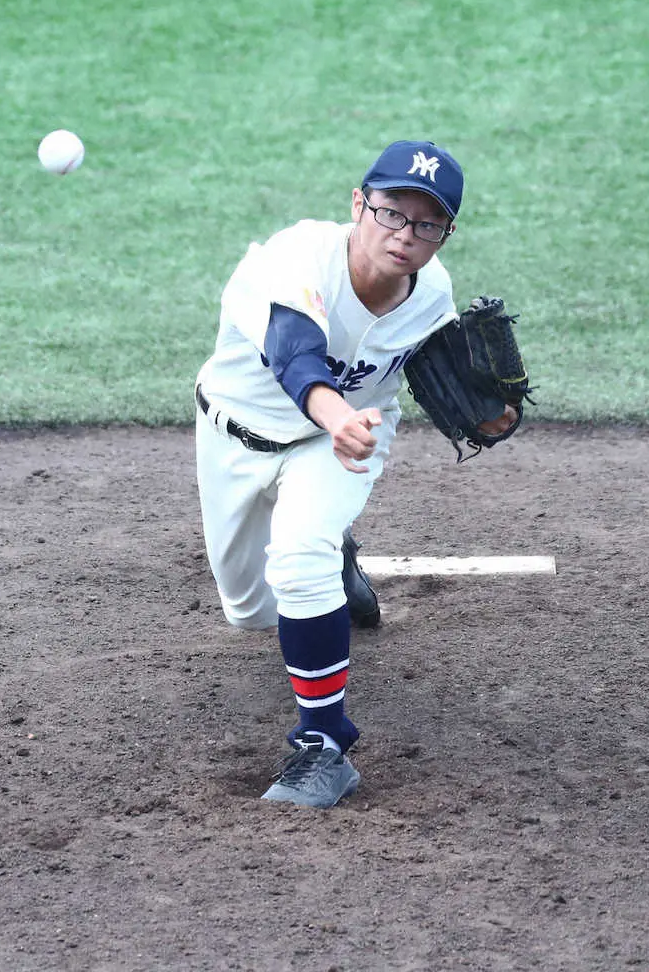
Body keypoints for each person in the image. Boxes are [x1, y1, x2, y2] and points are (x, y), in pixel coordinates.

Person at [194, 140, 517, 808]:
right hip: (236, 433)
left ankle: (324, 747)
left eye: (427, 224)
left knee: (298, 558)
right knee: (250, 611)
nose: (405, 235)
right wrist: (335, 412)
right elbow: (294, 353)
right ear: (357, 205)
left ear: (446, 232)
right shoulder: (296, 258)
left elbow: (440, 377)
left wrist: (493, 417)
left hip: (342, 443)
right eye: (391, 213)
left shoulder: (432, 293)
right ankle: (337, 562)